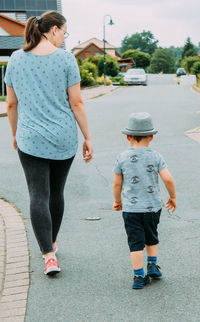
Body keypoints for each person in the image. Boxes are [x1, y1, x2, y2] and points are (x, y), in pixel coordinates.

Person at [4, 11, 93, 276]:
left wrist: (15, 133)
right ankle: (52, 241)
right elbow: (76, 103)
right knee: (56, 193)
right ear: (53, 30)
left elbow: (11, 104)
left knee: (37, 195)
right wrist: (88, 136)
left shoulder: (16, 59)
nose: (65, 38)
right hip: (63, 137)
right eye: (65, 33)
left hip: (29, 138)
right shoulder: (66, 59)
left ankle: (48, 255)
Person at [113, 112, 176, 289]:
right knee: (151, 236)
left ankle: (139, 276)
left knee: (135, 243)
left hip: (131, 210)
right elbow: (168, 179)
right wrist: (172, 197)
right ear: (151, 136)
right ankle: (152, 265)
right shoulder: (155, 156)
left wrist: (118, 201)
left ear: (127, 136)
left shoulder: (122, 157)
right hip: (152, 208)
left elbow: (117, 183)